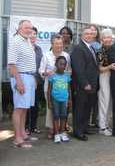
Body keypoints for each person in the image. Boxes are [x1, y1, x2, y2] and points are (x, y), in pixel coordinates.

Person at [8, 20, 36, 148]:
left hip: (28, 77)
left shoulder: (27, 40)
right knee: (19, 108)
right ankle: (18, 139)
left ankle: (23, 134)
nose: (29, 30)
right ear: (19, 28)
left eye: (30, 28)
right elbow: (12, 64)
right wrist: (19, 82)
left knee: (25, 108)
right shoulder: (16, 41)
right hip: (21, 77)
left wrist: (33, 78)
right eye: (26, 27)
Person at [39, 34, 71, 139]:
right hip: (50, 86)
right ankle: (52, 129)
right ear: (52, 44)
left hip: (63, 88)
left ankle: (61, 129)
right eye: (56, 43)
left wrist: (66, 74)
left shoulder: (66, 55)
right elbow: (40, 71)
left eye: (60, 43)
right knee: (51, 108)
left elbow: (69, 70)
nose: (59, 45)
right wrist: (47, 73)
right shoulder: (46, 55)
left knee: (62, 110)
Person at [71, 27, 99, 141]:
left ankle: (84, 127)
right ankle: (78, 132)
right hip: (83, 85)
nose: (89, 36)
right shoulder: (79, 48)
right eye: (86, 34)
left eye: (91, 34)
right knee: (80, 109)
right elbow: (78, 69)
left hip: (92, 85)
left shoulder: (91, 47)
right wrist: (85, 83)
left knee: (87, 108)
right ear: (81, 36)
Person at [98, 28, 115, 136]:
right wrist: (109, 67)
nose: (107, 39)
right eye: (105, 37)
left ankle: (107, 124)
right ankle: (102, 127)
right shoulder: (100, 50)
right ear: (101, 39)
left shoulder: (114, 48)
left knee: (110, 101)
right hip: (104, 76)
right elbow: (100, 68)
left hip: (113, 76)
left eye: (109, 37)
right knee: (104, 100)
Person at [47, 56, 71, 143]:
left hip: (64, 99)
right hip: (55, 99)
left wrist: (70, 99)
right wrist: (49, 101)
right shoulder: (53, 76)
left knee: (64, 116)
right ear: (56, 64)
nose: (63, 66)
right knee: (56, 116)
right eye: (61, 64)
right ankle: (56, 134)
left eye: (64, 65)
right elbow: (49, 90)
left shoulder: (66, 76)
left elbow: (69, 89)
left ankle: (62, 133)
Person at [26, 27, 44, 135]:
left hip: (37, 82)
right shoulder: (24, 48)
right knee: (26, 106)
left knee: (35, 105)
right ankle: (25, 128)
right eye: (31, 33)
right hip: (27, 81)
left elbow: (40, 66)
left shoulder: (39, 49)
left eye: (35, 34)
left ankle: (33, 127)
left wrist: (37, 79)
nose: (33, 35)